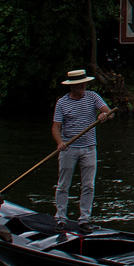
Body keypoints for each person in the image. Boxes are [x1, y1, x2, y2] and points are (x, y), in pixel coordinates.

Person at [51, 69, 113, 227]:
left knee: (88, 185)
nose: (83, 86)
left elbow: (109, 112)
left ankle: (84, 219)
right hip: (68, 149)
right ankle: (60, 219)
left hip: (89, 148)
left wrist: (104, 115)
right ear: (72, 86)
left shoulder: (93, 97)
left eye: (84, 83)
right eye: (79, 84)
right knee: (63, 185)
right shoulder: (62, 103)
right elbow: (55, 127)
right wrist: (59, 143)